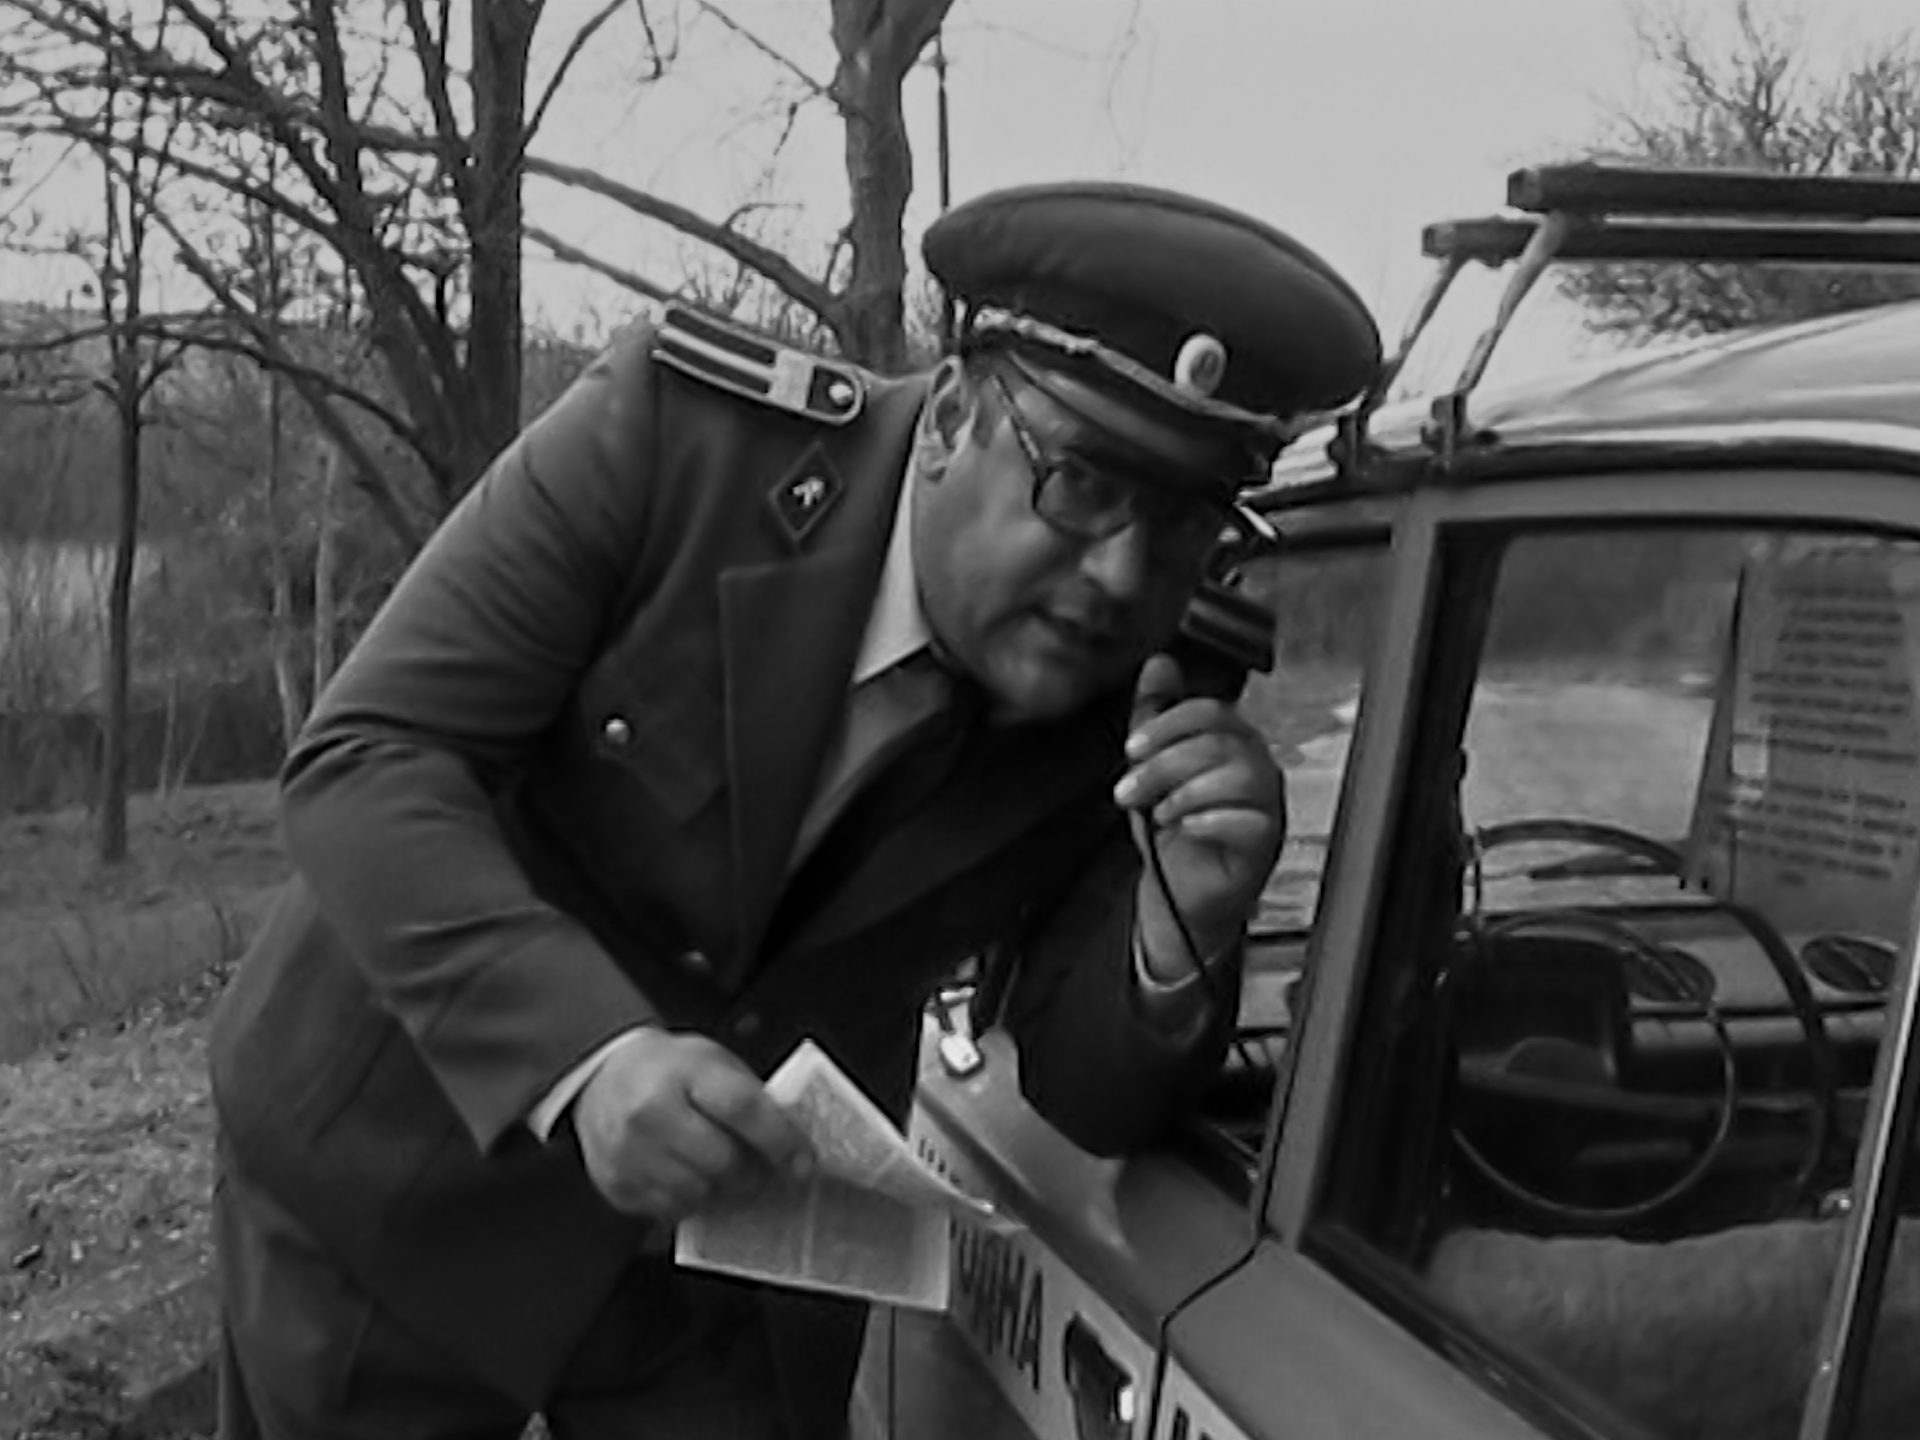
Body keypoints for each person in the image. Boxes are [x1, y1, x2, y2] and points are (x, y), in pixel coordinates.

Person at [208, 180, 1381, 1439]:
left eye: (1185, 520)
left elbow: (1086, 1094)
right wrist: (587, 1059)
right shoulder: (678, 444)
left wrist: (1179, 927)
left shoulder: (1141, 684)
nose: (1120, 574)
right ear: (950, 419)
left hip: (730, 1279)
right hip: (411, 1174)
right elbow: (371, 757)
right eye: (1083, 483)